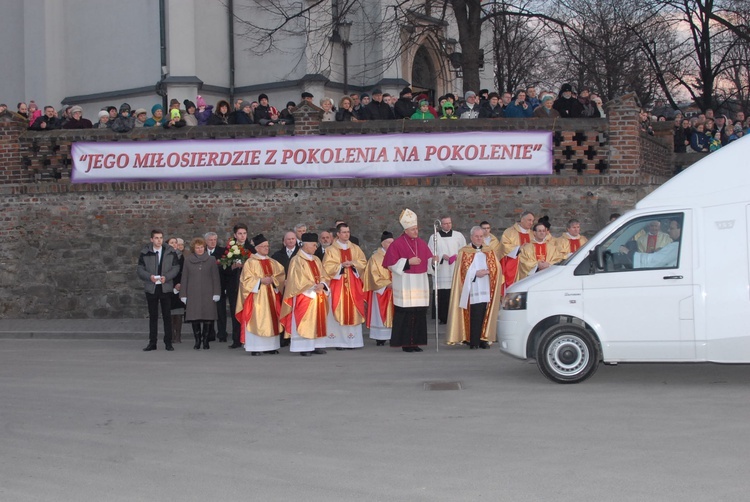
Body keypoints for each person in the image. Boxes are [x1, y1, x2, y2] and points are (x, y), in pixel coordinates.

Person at [382, 209, 436, 352]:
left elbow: (429, 263)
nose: (416, 232)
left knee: (418, 313)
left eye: (417, 229)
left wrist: (433, 261)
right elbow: (391, 264)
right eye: (413, 229)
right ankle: (406, 343)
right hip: (405, 283)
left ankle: (416, 343)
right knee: (406, 314)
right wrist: (408, 262)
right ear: (405, 230)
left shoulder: (422, 243)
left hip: (420, 282)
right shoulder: (397, 244)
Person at [446, 226, 502, 349]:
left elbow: (497, 268)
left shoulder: (489, 250)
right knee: (474, 314)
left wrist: (491, 271)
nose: (479, 239)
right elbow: (462, 271)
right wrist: (475, 273)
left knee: (484, 312)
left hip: (486, 286)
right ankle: (473, 340)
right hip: (471, 287)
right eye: (476, 236)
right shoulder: (464, 251)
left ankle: (483, 339)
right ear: (471, 237)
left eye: (481, 236)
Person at [280, 233, 331, 356]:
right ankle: (303, 346)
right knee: (305, 320)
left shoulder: (316, 259)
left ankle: (317, 345)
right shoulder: (296, 260)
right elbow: (296, 280)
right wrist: (314, 286)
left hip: (318, 295)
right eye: (314, 245)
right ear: (306, 245)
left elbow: (324, 275)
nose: (315, 248)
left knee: (318, 320)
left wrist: (323, 285)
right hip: (304, 295)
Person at [236, 234, 286, 356]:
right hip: (256, 297)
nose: (266, 248)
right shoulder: (250, 262)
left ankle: (271, 346)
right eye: (263, 246)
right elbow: (245, 280)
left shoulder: (273, 262)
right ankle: (255, 347)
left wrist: (273, 281)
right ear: (257, 248)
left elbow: (280, 276)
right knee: (257, 319)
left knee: (271, 319)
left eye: (267, 246)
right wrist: (260, 281)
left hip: (271, 296)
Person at [322, 222, 367, 349]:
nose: (346, 234)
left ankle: (353, 341)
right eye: (344, 232)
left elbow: (363, 262)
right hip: (338, 285)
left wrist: (353, 263)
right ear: (338, 234)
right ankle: (338, 342)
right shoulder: (331, 250)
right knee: (337, 309)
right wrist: (341, 265)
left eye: (348, 232)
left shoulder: (355, 248)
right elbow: (327, 266)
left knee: (353, 309)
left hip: (353, 285)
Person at [137, 229, 180, 351]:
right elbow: (140, 269)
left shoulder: (170, 251)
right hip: (151, 287)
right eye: (156, 238)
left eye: (161, 238)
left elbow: (176, 268)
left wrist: (166, 277)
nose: (159, 240)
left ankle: (168, 342)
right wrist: (149, 277)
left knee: (167, 315)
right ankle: (152, 342)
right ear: (151, 239)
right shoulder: (145, 252)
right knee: (153, 316)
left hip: (165, 287)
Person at [180, 237, 222, 350]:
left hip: (208, 292)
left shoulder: (211, 259)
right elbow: (184, 277)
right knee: (195, 317)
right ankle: (197, 340)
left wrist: (217, 292)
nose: (199, 249)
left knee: (208, 317)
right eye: (197, 247)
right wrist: (183, 294)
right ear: (194, 248)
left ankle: (205, 340)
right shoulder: (188, 260)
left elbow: (215, 278)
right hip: (193, 292)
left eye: (201, 247)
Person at [221, 223, 255, 348]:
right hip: (234, 285)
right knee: (236, 311)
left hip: (248, 286)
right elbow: (223, 269)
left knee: (249, 312)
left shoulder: (251, 249)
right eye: (240, 234)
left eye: (244, 233)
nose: (242, 236)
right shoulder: (230, 248)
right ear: (235, 235)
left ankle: (250, 338)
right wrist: (232, 267)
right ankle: (236, 339)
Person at [428, 216, 466, 325]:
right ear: (441, 225)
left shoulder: (458, 236)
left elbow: (464, 250)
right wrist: (441, 256)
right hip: (441, 270)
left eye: (449, 223)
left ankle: (456, 316)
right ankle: (442, 317)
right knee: (442, 294)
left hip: (454, 268)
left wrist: (457, 256)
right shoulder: (434, 237)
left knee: (454, 292)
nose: (448, 225)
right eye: (445, 223)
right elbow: (430, 253)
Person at [363, 231, 395, 346]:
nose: (391, 245)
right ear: (382, 244)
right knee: (379, 314)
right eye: (388, 243)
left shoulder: (398, 255)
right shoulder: (375, 258)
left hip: (396, 290)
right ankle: (380, 337)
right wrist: (387, 284)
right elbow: (373, 275)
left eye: (392, 242)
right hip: (382, 291)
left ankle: (394, 336)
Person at [500, 211, 534, 291]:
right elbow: (504, 246)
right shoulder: (509, 232)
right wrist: (518, 248)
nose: (531, 223)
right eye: (529, 220)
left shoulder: (533, 234)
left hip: (529, 267)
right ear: (522, 220)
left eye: (532, 221)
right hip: (514, 266)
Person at [205, 231, 229, 342]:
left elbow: (226, 270)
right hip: (206, 286)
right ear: (206, 241)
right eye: (210, 240)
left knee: (221, 311)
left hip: (220, 284)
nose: (213, 242)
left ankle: (222, 333)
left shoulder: (223, 252)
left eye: (214, 240)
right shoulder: (202, 252)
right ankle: (209, 333)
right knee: (208, 311)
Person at [167, 237, 185, 344]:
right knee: (169, 312)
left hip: (179, 286)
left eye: (175, 243)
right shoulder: (165, 256)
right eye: (171, 243)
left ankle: (178, 336)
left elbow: (183, 270)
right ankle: (171, 335)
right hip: (168, 285)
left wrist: (180, 284)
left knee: (178, 311)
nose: (174, 245)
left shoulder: (180, 256)